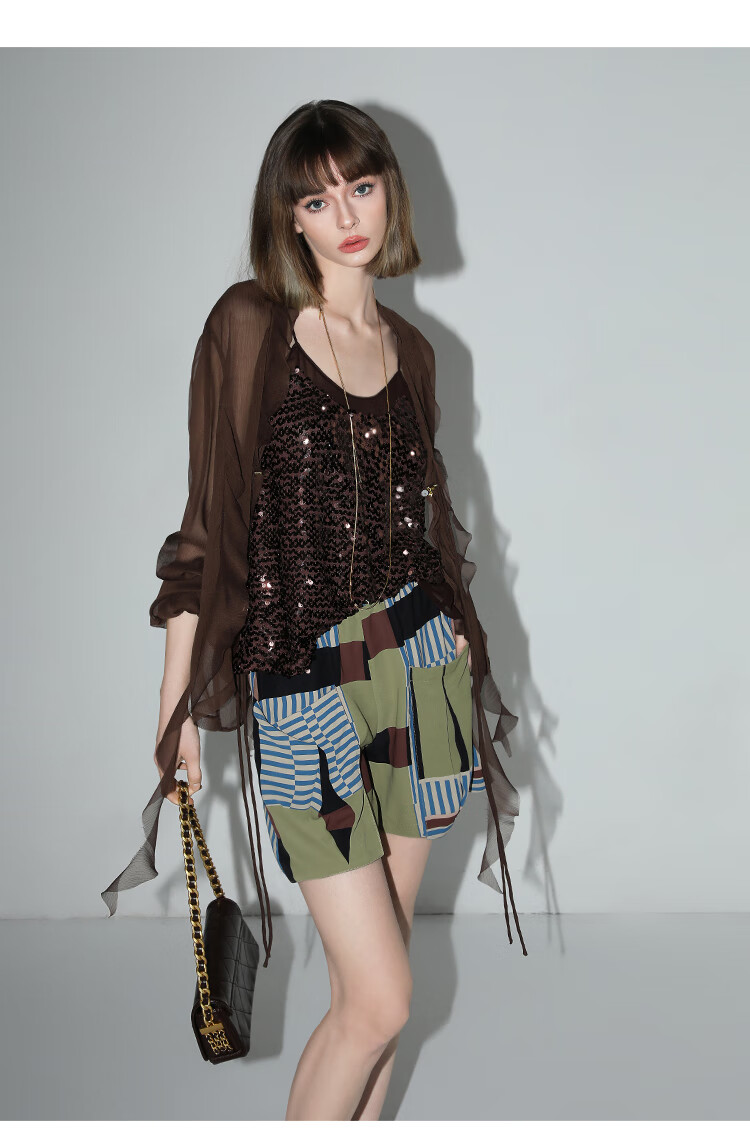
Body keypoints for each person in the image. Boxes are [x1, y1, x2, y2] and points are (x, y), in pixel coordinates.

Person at [101, 99, 526, 1120]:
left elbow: (419, 521)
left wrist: (448, 621)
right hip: (306, 695)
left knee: (374, 992)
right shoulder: (249, 326)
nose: (347, 216)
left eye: (361, 188)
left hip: (418, 678)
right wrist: (175, 702)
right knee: (382, 1000)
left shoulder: (413, 349)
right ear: (288, 216)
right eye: (318, 199)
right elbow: (205, 528)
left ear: (389, 194)